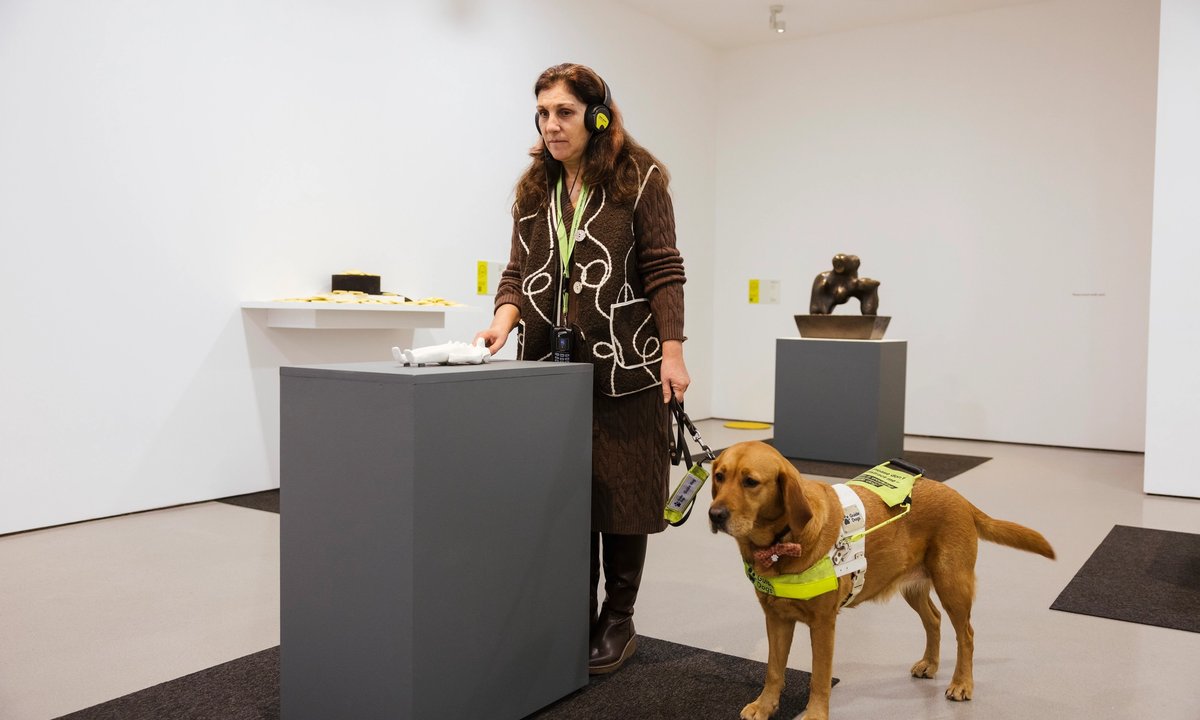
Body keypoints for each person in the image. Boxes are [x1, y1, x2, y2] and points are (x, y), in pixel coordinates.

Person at [476, 62, 690, 675]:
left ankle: (618, 620)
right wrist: (504, 317)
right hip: (549, 363)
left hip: (626, 364)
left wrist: (672, 350)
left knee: (621, 490)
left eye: (564, 113)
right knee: (563, 495)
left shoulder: (640, 178)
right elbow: (517, 270)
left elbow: (663, 269)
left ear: (597, 116)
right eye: (543, 114)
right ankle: (572, 606)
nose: (552, 126)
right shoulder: (531, 188)